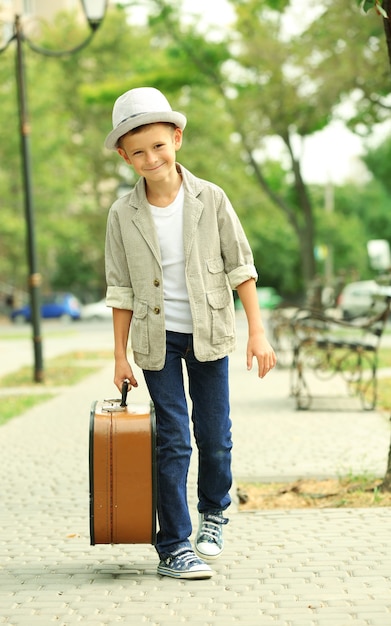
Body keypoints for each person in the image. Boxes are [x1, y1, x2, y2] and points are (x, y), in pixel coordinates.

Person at [104, 87, 277, 580]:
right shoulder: (121, 214)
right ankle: (174, 546)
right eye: (137, 151)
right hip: (157, 341)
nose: (150, 158)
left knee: (214, 437)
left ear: (176, 139)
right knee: (173, 439)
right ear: (124, 156)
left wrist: (257, 333)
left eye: (158, 145)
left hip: (210, 332)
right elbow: (120, 290)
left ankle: (214, 511)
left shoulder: (211, 198)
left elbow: (241, 266)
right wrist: (119, 356)